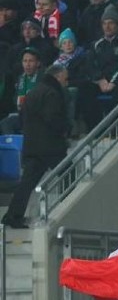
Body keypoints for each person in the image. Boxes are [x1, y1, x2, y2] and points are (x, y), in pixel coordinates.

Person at [1, 64, 69, 228]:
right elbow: (52, 118)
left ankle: (13, 215)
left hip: (32, 144)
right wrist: (66, 129)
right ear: (58, 77)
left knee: (27, 183)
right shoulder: (52, 93)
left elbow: (22, 116)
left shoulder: (34, 91)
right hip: (50, 147)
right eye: (66, 79)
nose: (67, 83)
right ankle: (66, 207)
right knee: (69, 173)